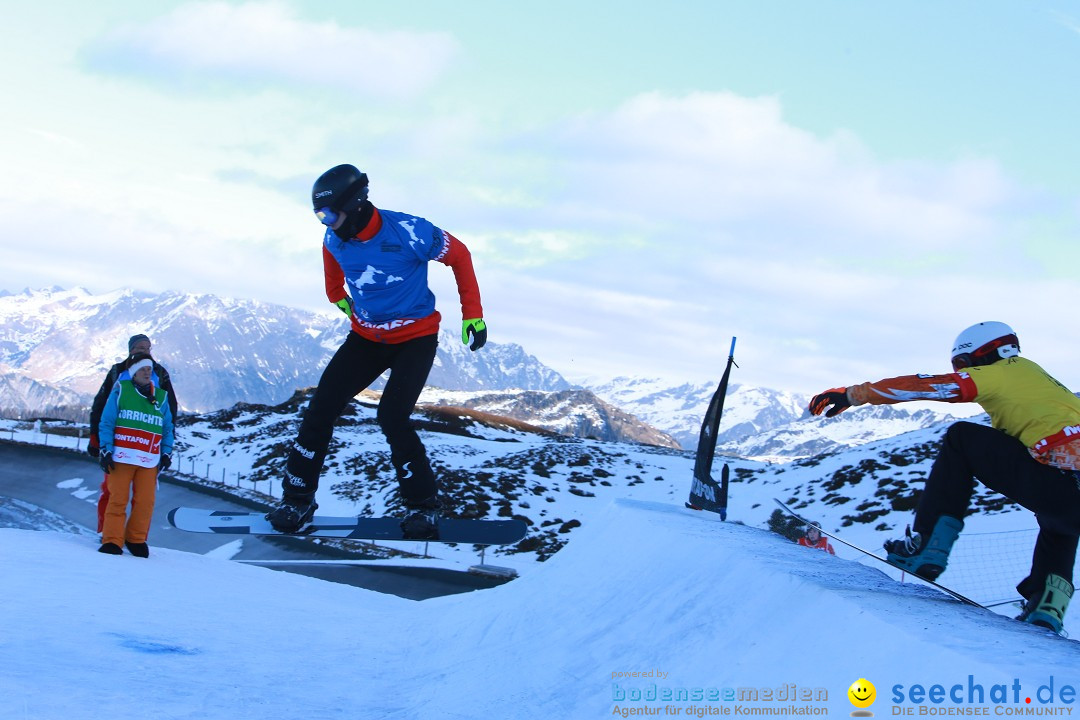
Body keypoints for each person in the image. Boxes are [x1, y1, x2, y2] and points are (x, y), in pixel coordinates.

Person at [808, 321, 1080, 633]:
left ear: (982, 355)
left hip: (1061, 479)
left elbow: (928, 385)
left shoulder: (999, 371)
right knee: (1058, 515)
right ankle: (1048, 605)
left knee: (961, 438)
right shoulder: (1050, 387)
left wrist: (853, 394)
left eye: (963, 365)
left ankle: (925, 547)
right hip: (1069, 486)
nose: (964, 372)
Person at [265, 164, 487, 539]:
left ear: (354, 204)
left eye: (330, 214)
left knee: (392, 417)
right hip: (366, 339)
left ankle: (423, 508)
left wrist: (473, 315)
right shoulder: (334, 239)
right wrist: (337, 297)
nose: (326, 223)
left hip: (415, 338)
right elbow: (333, 271)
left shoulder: (411, 231)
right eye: (320, 216)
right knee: (320, 410)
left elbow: (460, 256)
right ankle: (296, 500)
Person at [88, 334, 179, 533]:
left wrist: (166, 446)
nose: (144, 350)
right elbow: (101, 404)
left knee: (144, 496)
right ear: (130, 349)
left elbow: (169, 408)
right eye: (139, 347)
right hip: (118, 443)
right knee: (112, 491)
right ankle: (106, 532)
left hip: (148, 446)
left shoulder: (160, 373)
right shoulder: (117, 371)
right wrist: (96, 437)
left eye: (147, 347)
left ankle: (136, 537)